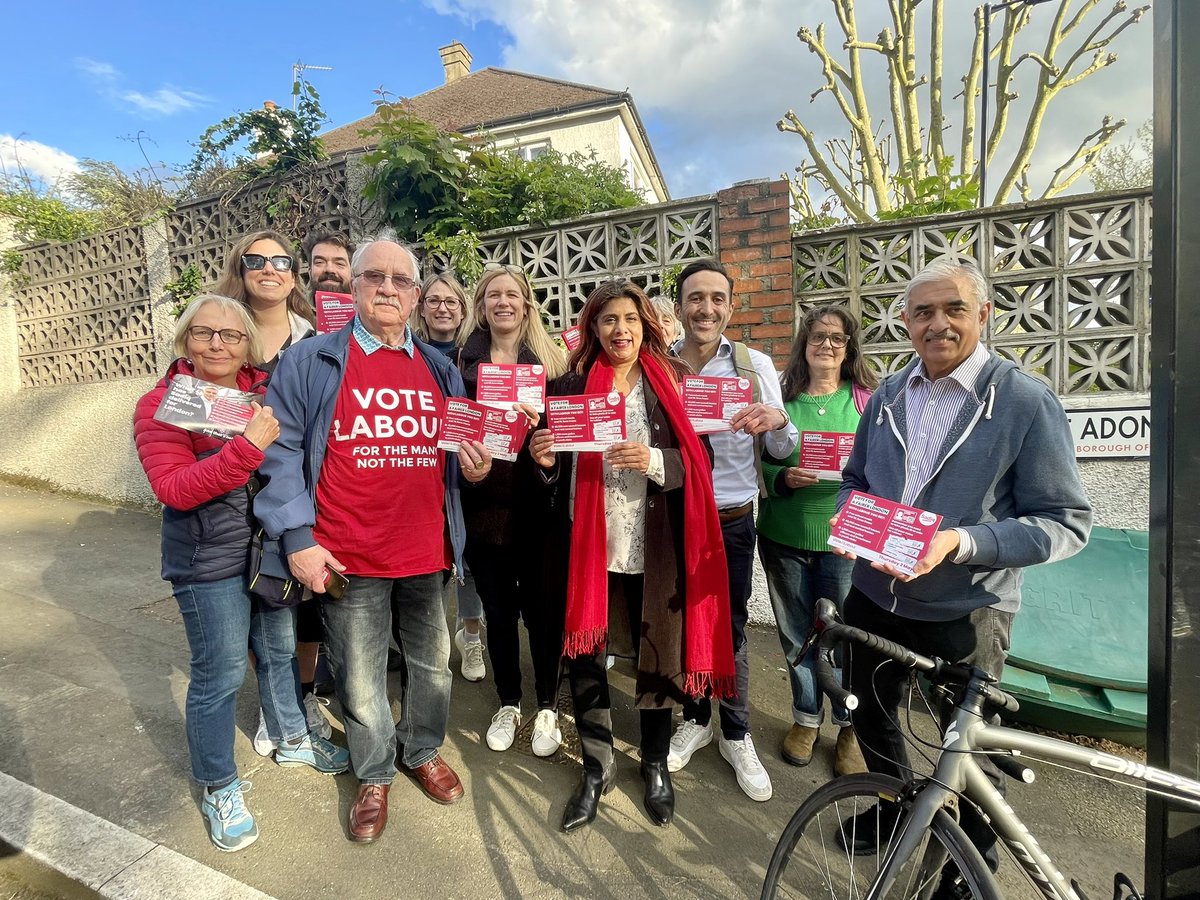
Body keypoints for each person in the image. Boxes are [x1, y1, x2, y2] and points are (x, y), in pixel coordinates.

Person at [833, 257, 1092, 889]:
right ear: (906, 321)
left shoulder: (1025, 401)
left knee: (972, 750)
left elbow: (1065, 522)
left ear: (983, 315)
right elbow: (855, 481)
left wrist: (961, 541)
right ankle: (898, 812)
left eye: (953, 309)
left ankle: (968, 862)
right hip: (873, 596)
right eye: (923, 311)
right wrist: (852, 524)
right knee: (872, 711)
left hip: (968, 610)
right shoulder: (890, 393)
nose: (937, 324)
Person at [254, 238, 492, 845]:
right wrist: (298, 537)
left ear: (415, 295)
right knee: (360, 679)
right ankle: (375, 772)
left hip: (427, 552)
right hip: (347, 553)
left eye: (401, 280)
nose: (389, 289)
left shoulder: (439, 367)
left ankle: (422, 750)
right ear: (353, 286)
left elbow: (462, 449)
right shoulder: (310, 361)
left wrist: (475, 465)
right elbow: (278, 454)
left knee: (432, 668)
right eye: (375, 277)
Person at [133, 294, 350, 853]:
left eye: (230, 336)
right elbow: (174, 489)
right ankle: (218, 784)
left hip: (268, 551)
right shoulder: (162, 403)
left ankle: (293, 735)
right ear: (185, 340)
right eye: (204, 333)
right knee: (221, 675)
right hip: (207, 563)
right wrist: (249, 448)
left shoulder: (265, 394)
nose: (217, 344)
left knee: (279, 654)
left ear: (248, 344)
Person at [530, 279, 734, 832]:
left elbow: (701, 464)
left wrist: (653, 458)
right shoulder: (569, 387)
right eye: (608, 320)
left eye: (630, 319)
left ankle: (656, 763)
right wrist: (544, 458)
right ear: (592, 327)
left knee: (658, 652)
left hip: (657, 542)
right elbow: (551, 472)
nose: (620, 330)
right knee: (587, 656)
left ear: (647, 325)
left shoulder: (675, 381)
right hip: (588, 546)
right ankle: (596, 766)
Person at [666, 259, 798, 803]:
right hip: (674, 515)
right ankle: (696, 719)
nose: (706, 309)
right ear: (679, 307)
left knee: (733, 628)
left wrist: (779, 423)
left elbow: (784, 449)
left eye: (717, 299)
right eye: (695, 298)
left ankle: (736, 732)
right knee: (681, 623)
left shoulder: (753, 365)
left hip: (732, 521)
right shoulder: (661, 367)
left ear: (730, 307)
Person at [216, 230, 331, 756]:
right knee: (257, 608)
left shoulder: (315, 338)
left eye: (280, 260)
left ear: (294, 272)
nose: (268, 268)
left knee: (303, 609)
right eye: (255, 260)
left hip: (297, 493)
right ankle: (273, 702)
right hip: (234, 495)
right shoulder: (220, 336)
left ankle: (301, 696)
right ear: (240, 270)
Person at [756, 304, 876, 773]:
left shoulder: (869, 402)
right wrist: (783, 478)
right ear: (803, 346)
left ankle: (850, 729)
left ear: (849, 348)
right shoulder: (779, 402)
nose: (827, 344)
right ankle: (807, 718)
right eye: (818, 337)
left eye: (837, 338)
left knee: (847, 638)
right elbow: (755, 465)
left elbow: (883, 471)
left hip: (846, 543)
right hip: (785, 534)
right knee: (797, 636)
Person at [459, 263, 568, 757]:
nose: (503, 302)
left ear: (526, 305)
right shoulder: (461, 366)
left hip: (539, 514)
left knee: (544, 616)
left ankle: (547, 704)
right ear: (482, 306)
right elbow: (451, 437)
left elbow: (566, 448)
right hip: (484, 513)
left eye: (513, 295)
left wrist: (543, 451)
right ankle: (509, 700)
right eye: (493, 295)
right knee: (498, 615)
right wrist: (467, 467)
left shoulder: (554, 367)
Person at [415, 272, 487, 682]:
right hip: (423, 471)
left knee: (468, 562)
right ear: (421, 307)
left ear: (463, 310)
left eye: (452, 302)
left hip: (466, 471)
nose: (443, 308)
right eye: (434, 300)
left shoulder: (474, 356)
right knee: (429, 561)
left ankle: (470, 636)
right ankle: (428, 643)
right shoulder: (410, 352)